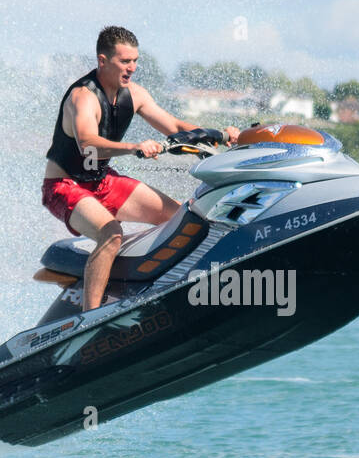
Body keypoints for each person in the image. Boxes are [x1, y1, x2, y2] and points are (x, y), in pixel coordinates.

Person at [42, 26, 239, 311]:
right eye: (125, 61)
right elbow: (88, 144)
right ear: (103, 60)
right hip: (65, 185)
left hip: (103, 182)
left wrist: (220, 134)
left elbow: (174, 127)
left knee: (183, 220)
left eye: (135, 61)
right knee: (111, 232)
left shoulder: (134, 94)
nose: (132, 67)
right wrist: (134, 147)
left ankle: (149, 286)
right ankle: (89, 317)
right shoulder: (82, 97)